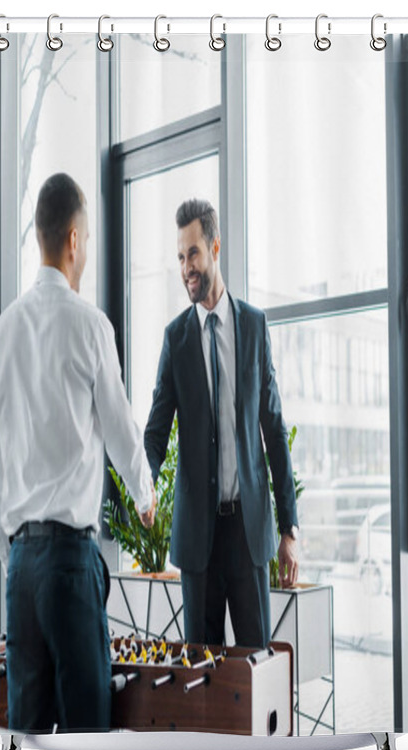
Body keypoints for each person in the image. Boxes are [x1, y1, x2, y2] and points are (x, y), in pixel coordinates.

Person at [0, 173, 156, 733]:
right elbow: (123, 431)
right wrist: (146, 497)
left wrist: (16, 555)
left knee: (26, 745)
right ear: (75, 240)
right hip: (70, 565)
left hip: (22, 571)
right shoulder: (90, 327)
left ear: (39, 237)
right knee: (88, 744)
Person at [144, 198, 299, 650]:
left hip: (247, 533)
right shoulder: (177, 338)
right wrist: (145, 483)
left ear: (214, 247)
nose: (186, 267)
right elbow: (156, 429)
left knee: (256, 670)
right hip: (198, 538)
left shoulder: (253, 326)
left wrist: (289, 527)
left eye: (192, 253)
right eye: (179, 257)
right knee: (202, 680)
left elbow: (273, 427)